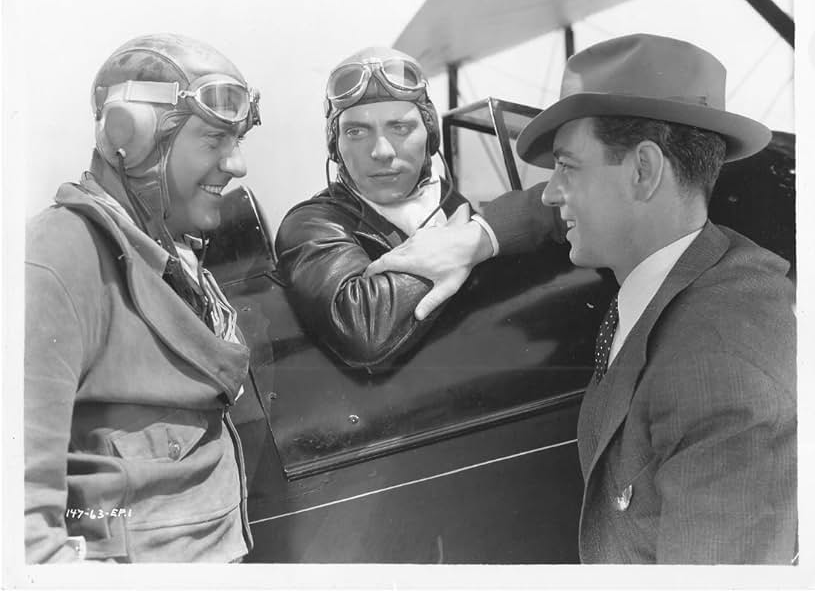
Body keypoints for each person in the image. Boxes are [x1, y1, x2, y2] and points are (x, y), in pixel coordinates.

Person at [366, 33, 796, 563]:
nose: (548, 193)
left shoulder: (718, 376)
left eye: (567, 167)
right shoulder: (687, 267)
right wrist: (478, 235)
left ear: (644, 170)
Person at [25, 33, 261, 563]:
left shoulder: (175, 258)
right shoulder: (57, 259)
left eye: (238, 141)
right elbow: (23, 539)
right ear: (129, 134)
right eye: (214, 140)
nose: (238, 165)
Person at [274, 46, 550, 369]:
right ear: (336, 145)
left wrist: (480, 236)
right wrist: (458, 249)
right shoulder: (311, 224)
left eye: (400, 128)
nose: (382, 151)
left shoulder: (456, 207)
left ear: (431, 134)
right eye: (357, 132)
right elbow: (362, 326)